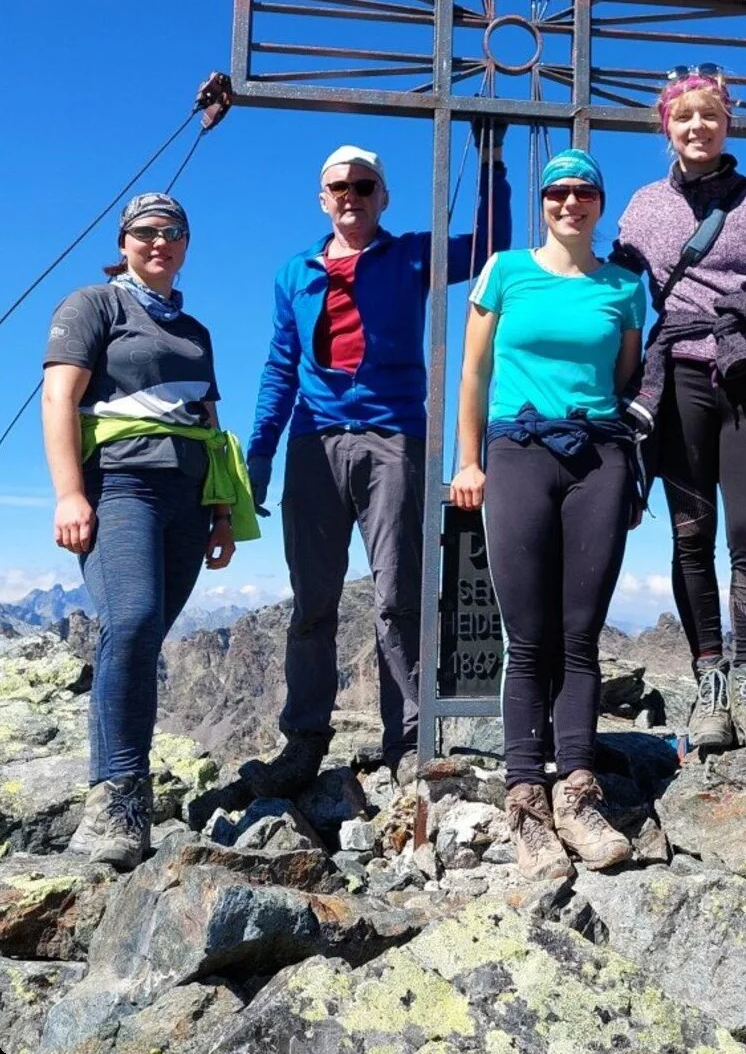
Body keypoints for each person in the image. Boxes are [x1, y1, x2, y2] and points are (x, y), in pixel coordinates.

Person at [243, 132, 511, 794]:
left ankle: (411, 738)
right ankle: (304, 740)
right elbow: (280, 367)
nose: (351, 196)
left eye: (364, 185)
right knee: (312, 600)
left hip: (394, 435)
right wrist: (258, 452)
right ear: (322, 199)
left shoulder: (411, 255)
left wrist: (491, 163)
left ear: (383, 196)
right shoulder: (293, 273)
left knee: (399, 595)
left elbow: (489, 248)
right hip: (313, 442)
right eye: (340, 186)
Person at [43, 193, 255, 869]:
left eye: (173, 232)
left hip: (189, 497)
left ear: (186, 243)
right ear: (124, 240)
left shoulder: (196, 331)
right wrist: (70, 493)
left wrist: (223, 512)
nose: (158, 241)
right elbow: (59, 397)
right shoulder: (94, 306)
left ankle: (128, 800)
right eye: (145, 232)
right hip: (121, 485)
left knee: (143, 636)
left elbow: (210, 424)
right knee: (130, 622)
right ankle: (113, 802)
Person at [450, 149, 644, 879]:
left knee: (581, 634)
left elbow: (623, 375)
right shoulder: (504, 270)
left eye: (583, 192)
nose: (570, 203)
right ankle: (526, 799)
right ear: (544, 202)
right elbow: (473, 370)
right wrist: (468, 461)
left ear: (599, 202)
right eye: (557, 192)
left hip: (598, 454)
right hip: (518, 449)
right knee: (527, 636)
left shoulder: (625, 286)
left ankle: (578, 791)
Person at [615, 63, 746, 752]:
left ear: (728, 123)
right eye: (683, 115)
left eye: (710, 114)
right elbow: (617, 291)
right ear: (666, 125)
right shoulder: (640, 206)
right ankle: (710, 683)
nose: (697, 125)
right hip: (678, 384)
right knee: (691, 534)